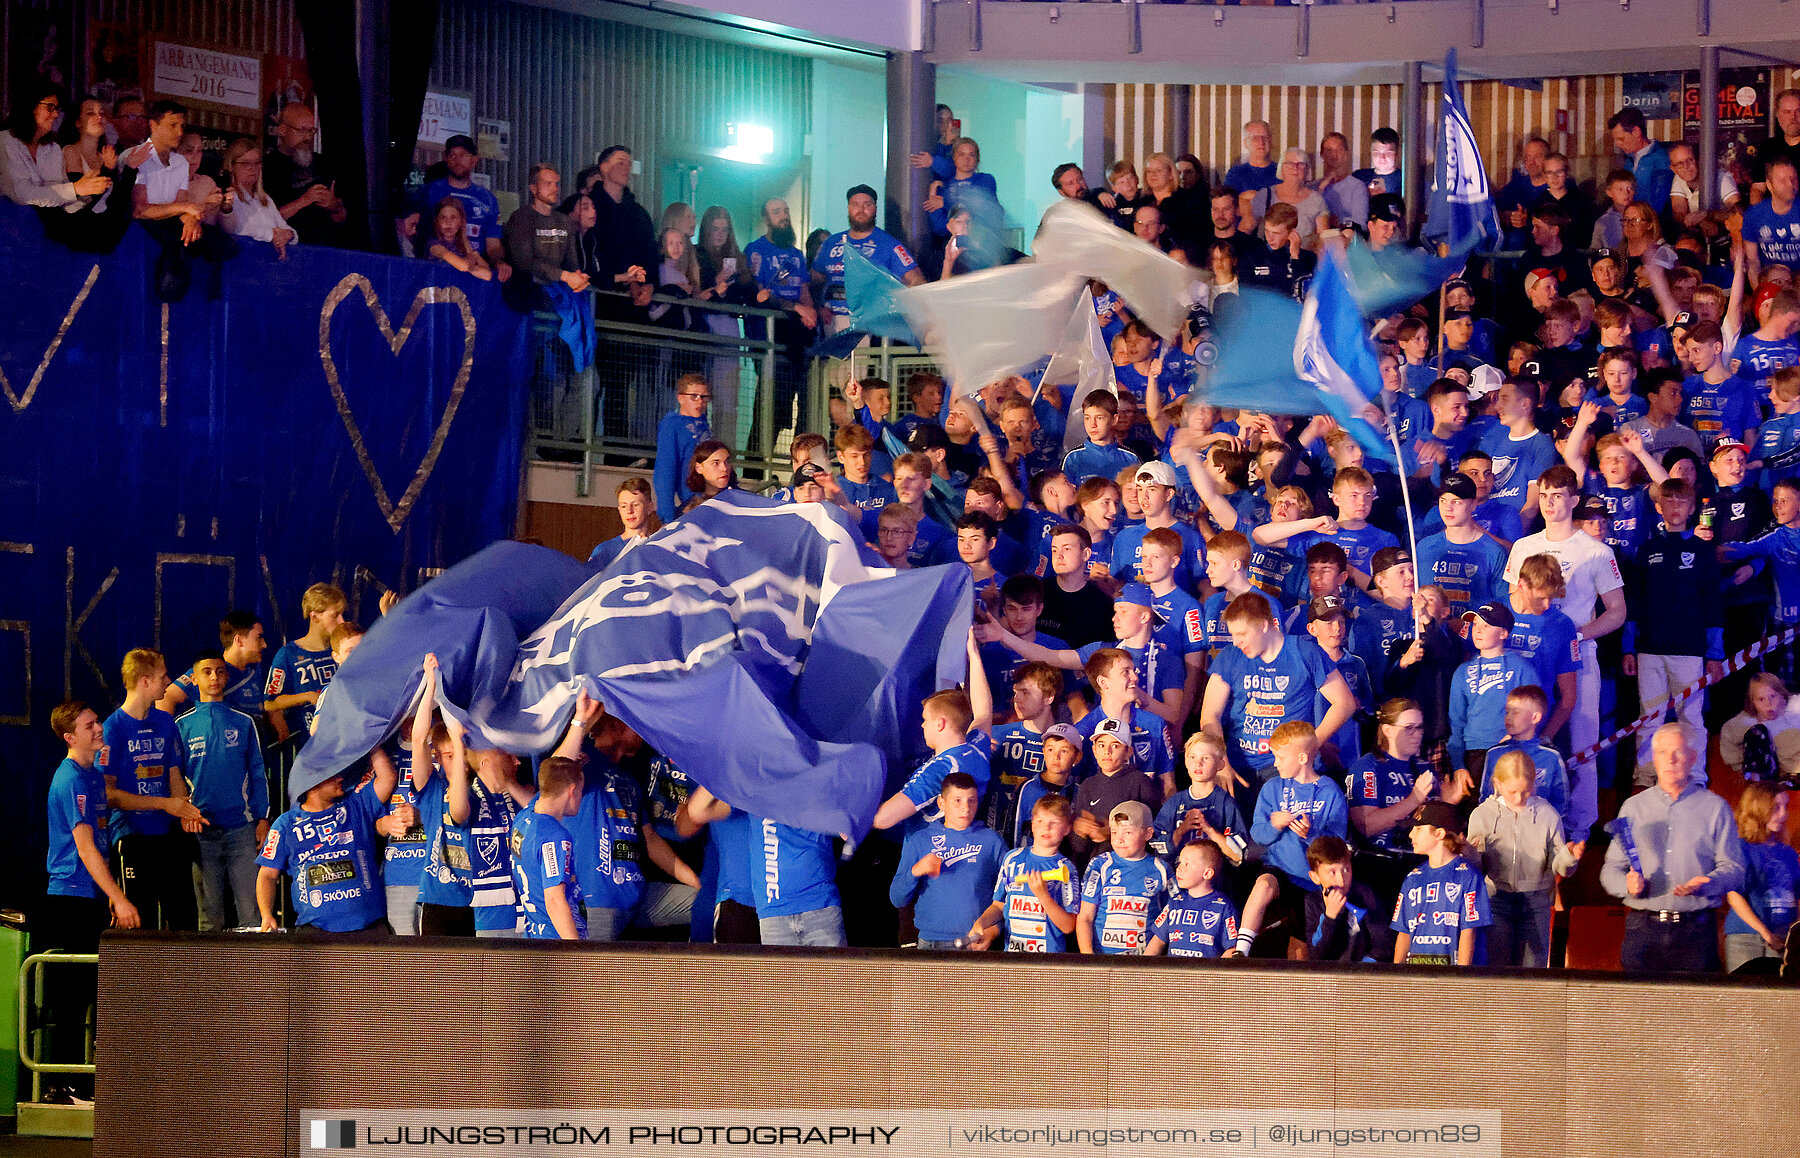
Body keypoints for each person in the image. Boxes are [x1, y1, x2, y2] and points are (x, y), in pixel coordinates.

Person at [1503, 467, 1627, 835]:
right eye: (1543, 495)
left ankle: (1581, 826)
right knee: (1524, 734)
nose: (1549, 503)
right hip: (1530, 656)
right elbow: (1512, 597)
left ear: (1573, 500)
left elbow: (1617, 611)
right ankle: (1521, 815)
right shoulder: (1524, 546)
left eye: (1557, 495)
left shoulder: (1596, 551)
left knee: (1583, 738)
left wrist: (1578, 635)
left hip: (1579, 657)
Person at [1601, 723, 1745, 973]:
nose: (1670, 760)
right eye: (1662, 753)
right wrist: (1626, 884)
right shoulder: (1634, 807)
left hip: (1696, 932)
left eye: (1677, 751)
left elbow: (1735, 869)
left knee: (1693, 1010)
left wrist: (1708, 883)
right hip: (1642, 928)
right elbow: (1610, 869)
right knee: (1638, 1008)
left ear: (1692, 757)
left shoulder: (1715, 807)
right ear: (1653, 759)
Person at [1201, 592, 1355, 812]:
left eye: (1242, 634)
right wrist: (1221, 760)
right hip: (1236, 766)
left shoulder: (1304, 652)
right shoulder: (1230, 656)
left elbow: (1344, 703)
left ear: (1264, 626)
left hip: (1285, 769)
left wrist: (1311, 744)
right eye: (1233, 635)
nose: (1236, 642)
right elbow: (1210, 715)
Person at [98, 648, 201, 931]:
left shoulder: (166, 722)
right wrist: (164, 804)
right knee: (136, 923)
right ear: (144, 681)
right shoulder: (112, 729)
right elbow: (107, 794)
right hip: (132, 836)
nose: (168, 681)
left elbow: (173, 773)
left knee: (184, 920)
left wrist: (184, 810)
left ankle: (182, 975)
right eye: (162, 675)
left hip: (168, 833)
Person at [255, 744, 397, 933]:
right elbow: (267, 875)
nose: (340, 777)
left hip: (368, 928)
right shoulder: (285, 824)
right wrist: (266, 915)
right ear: (311, 785)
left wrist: (368, 740)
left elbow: (387, 777)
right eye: (332, 775)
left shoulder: (355, 805)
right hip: (315, 933)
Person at [1237, 721, 1349, 958]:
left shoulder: (1330, 790)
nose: (1275, 763)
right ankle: (1240, 952)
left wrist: (1311, 836)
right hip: (1280, 870)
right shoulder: (1272, 788)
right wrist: (1274, 825)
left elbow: (1338, 845)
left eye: (1280, 757)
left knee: (1300, 950)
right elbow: (1258, 834)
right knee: (1263, 885)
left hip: (1314, 881)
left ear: (1302, 758)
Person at [177, 651, 269, 932]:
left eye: (219, 671)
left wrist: (263, 818)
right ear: (194, 678)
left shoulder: (243, 722)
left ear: (227, 676)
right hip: (201, 830)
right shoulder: (181, 725)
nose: (214, 677)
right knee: (210, 915)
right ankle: (210, 976)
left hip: (241, 828)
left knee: (251, 913)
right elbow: (174, 778)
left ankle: (255, 977)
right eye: (207, 672)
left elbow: (258, 772)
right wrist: (184, 812)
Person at [1466, 751, 1582, 968]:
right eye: (1513, 792)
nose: (1520, 798)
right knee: (1498, 967)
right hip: (1497, 899)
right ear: (1497, 784)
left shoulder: (1547, 814)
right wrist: (1469, 854)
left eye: (1526, 791)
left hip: (1536, 901)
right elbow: (1477, 867)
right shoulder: (1482, 815)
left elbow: (1559, 866)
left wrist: (1569, 857)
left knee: (1532, 968)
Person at [890, 771, 1007, 950]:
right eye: (957, 800)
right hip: (931, 944)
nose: (966, 808)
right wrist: (916, 870)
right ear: (941, 803)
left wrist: (994, 930)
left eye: (971, 800)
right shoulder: (919, 840)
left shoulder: (992, 841)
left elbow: (1011, 895)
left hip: (974, 942)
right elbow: (897, 899)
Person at [968, 794, 1080, 953]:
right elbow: (998, 906)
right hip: (1013, 956)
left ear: (1067, 829)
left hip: (1048, 960)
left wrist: (1043, 896)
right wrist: (981, 922)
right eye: (1040, 821)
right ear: (1032, 824)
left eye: (1054, 823)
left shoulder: (1066, 869)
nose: (1046, 828)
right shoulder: (1012, 859)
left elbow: (1068, 926)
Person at [812, 183, 923, 331]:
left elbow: (916, 280)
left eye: (867, 205)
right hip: (831, 323)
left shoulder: (889, 244)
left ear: (875, 209)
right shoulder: (831, 243)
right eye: (855, 204)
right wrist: (818, 307)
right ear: (848, 208)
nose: (861, 210)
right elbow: (814, 281)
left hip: (871, 326)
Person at [1392, 800, 1492, 966]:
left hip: (1453, 975)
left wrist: (1461, 978)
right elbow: (1404, 932)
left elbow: (1469, 931)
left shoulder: (1468, 876)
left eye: (1418, 829)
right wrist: (1397, 974)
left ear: (1439, 833)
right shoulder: (1413, 878)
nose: (1411, 834)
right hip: (1417, 973)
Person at [1075, 800, 1172, 955]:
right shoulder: (1100, 865)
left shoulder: (1161, 869)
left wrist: (1151, 956)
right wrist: (1088, 957)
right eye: (1114, 832)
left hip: (1144, 961)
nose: (1119, 839)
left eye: (1128, 832)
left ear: (1148, 833)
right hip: (1103, 960)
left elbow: (1172, 915)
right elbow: (1085, 917)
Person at [1, 80, 113, 212]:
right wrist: (76, 188)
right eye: (50, 107)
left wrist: (90, 188)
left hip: (46, 225)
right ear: (30, 107)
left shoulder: (52, 148)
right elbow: (22, 194)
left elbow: (61, 199)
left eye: (57, 109)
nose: (55, 114)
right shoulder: (5, 141)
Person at [1722, 783, 1799, 972]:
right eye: (1775, 808)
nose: (1783, 814)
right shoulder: (1741, 848)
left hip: (1782, 938)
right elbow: (1734, 895)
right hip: (1746, 938)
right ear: (1757, 809)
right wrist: (1764, 932)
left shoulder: (1787, 852)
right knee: (1745, 997)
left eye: (1785, 807)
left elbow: (1795, 897)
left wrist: (1793, 935)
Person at [509, 755, 586, 940]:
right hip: (556, 941)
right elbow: (554, 900)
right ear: (572, 791)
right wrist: (578, 954)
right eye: (581, 791)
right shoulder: (555, 837)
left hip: (533, 935)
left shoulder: (523, 818)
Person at [264, 582, 345, 744]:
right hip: (310, 744)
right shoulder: (288, 654)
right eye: (335, 615)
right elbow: (270, 702)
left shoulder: (345, 649)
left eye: (342, 614)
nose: (341, 621)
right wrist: (308, 696)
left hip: (345, 740)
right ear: (314, 616)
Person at [419, 134, 508, 278]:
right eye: (452, 155)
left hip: (472, 275)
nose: (457, 160)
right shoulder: (429, 191)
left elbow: (493, 243)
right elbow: (408, 228)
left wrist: (499, 262)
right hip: (434, 273)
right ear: (445, 157)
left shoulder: (488, 198)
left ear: (474, 160)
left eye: (463, 155)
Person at [159, 610, 267, 722]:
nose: (264, 645)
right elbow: (167, 697)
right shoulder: (208, 671)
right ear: (239, 640)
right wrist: (168, 733)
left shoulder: (256, 671)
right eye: (258, 638)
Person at [263, 101, 347, 245]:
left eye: (311, 131)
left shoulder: (324, 163)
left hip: (327, 249)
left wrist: (334, 207)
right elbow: (265, 220)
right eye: (301, 130)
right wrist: (303, 201)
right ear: (282, 130)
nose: (308, 137)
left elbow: (343, 218)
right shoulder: (267, 166)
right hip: (288, 248)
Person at [1301, 835, 1394, 963]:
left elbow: (1384, 946)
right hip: (1331, 976)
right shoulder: (1313, 902)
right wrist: (1329, 917)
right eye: (1332, 872)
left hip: (1362, 974)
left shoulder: (1366, 895)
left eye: (1346, 870)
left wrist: (1359, 971)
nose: (1341, 880)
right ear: (1315, 877)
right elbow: (1316, 954)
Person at [1144, 841, 1239, 959]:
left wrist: (1214, 975)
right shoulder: (1175, 902)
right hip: (1174, 974)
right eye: (1179, 863)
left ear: (1207, 873)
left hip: (1205, 975)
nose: (1179, 868)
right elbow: (1158, 941)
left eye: (1187, 864)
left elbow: (1232, 949)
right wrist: (1139, 972)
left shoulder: (1223, 906)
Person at [503, 163, 589, 294]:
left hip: (558, 290)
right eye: (548, 184)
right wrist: (564, 276)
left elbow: (572, 261)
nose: (554, 188)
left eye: (556, 184)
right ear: (533, 188)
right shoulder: (521, 218)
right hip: (527, 291)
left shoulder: (563, 220)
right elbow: (525, 262)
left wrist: (578, 276)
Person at [219, 138, 296, 256]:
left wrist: (288, 235)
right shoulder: (229, 197)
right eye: (245, 163)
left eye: (257, 163)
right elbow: (238, 229)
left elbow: (285, 227)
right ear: (231, 166)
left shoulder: (265, 199)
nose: (252, 168)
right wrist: (272, 235)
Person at [1719, 673, 1800, 785]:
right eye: (1761, 699)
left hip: (1795, 769)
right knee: (1757, 732)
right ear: (1753, 702)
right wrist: (1738, 767)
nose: (1768, 704)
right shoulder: (1745, 723)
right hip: (1772, 776)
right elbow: (1729, 738)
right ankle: (1759, 785)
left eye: (1773, 696)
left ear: (1781, 694)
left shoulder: (1795, 709)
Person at [652, 373, 712, 522]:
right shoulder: (671, 425)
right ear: (680, 398)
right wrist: (667, 516)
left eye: (704, 397)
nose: (700, 401)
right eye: (694, 396)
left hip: (709, 496)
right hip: (691, 500)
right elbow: (666, 470)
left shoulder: (704, 424)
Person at [1252, 149, 1327, 247]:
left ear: (1307, 170)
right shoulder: (1265, 195)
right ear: (1281, 169)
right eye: (1290, 164)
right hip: (1269, 257)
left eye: (1301, 164)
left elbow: (1324, 237)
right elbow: (1249, 226)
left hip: (1304, 257)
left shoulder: (1316, 199)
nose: (1295, 168)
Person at [1608, 107, 1673, 215]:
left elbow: (1656, 206)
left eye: (1621, 139)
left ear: (1636, 132)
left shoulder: (1662, 159)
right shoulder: (1629, 160)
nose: (1618, 144)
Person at [1225, 120, 1280, 225]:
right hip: (1243, 236)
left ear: (1271, 140)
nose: (1261, 142)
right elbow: (1227, 206)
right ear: (1246, 143)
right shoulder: (1236, 173)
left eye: (1265, 137)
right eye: (1255, 138)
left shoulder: (1283, 172)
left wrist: (1248, 197)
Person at [424, 196, 492, 279]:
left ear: (461, 221)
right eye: (443, 218)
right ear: (437, 221)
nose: (448, 223)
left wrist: (473, 253)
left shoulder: (462, 245)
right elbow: (463, 266)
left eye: (453, 218)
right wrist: (472, 262)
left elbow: (487, 271)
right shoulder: (435, 245)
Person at [1751, 88, 1800, 204]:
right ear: (1778, 115)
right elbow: (1758, 189)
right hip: (1774, 217)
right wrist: (1760, 218)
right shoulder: (1768, 148)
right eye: (1787, 112)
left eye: (1798, 111)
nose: (1793, 117)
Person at [1314, 132, 1369, 228]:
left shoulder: (1357, 187)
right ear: (1322, 155)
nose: (1334, 154)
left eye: (1339, 150)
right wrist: (1321, 188)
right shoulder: (1313, 187)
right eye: (1329, 150)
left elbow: (1360, 223)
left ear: (1346, 154)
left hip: (1346, 238)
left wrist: (1335, 220)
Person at [1353, 127, 1403, 199]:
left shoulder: (1405, 180)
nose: (1382, 157)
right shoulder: (1359, 177)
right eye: (1377, 153)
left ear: (1397, 153)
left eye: (1388, 153)